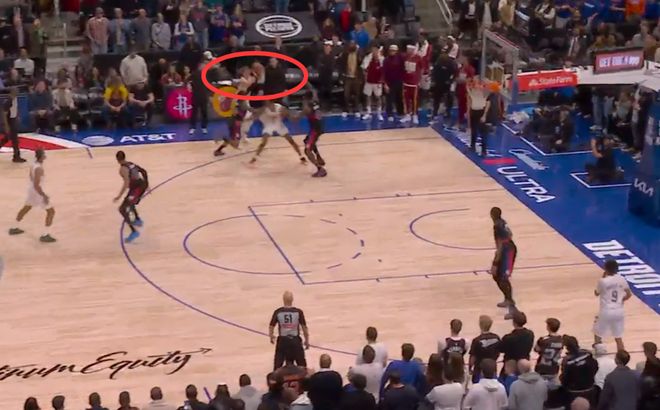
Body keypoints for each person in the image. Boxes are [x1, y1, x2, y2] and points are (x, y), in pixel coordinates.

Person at [8, 149, 56, 243]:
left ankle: (14, 227)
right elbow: (36, 185)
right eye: (44, 154)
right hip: (37, 192)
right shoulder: (39, 169)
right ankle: (45, 235)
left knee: (26, 208)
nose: (45, 155)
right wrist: (44, 195)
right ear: (42, 156)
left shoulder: (33, 165)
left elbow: (31, 178)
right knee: (51, 211)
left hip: (31, 191)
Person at [250, 100, 305, 165]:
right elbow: (256, 114)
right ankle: (255, 157)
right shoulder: (264, 108)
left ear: (270, 101)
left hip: (279, 125)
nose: (264, 102)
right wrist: (251, 117)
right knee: (263, 143)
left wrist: (288, 115)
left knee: (291, 141)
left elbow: (288, 115)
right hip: (269, 125)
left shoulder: (279, 107)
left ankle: (301, 156)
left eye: (266, 101)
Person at [594, 259, 632, 352]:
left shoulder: (603, 281)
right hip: (619, 310)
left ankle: (599, 352)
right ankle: (622, 355)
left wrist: (603, 277)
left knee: (597, 333)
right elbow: (629, 294)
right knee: (618, 337)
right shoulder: (621, 279)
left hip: (606, 310)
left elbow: (596, 293)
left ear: (605, 269)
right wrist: (621, 300)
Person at [113, 151, 149, 243]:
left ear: (117, 159)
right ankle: (137, 220)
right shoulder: (130, 164)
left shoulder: (123, 169)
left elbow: (126, 183)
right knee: (129, 203)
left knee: (122, 208)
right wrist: (147, 183)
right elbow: (143, 171)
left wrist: (119, 196)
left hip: (137, 189)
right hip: (140, 186)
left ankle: (134, 231)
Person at [269, 291, 309, 369]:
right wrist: (307, 340)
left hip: (283, 341)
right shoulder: (298, 312)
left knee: (277, 365)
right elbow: (304, 327)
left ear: (283, 299)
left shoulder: (278, 312)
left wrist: (271, 336)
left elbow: (271, 326)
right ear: (292, 299)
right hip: (295, 341)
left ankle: (276, 375)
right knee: (302, 365)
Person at [490, 206, 518, 317]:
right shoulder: (502, 222)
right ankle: (508, 299)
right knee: (496, 276)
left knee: (503, 278)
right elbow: (510, 234)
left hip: (508, 251)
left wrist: (495, 262)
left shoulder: (497, 226)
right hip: (508, 248)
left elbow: (500, 244)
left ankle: (511, 305)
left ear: (492, 215)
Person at [561, 335, 599, 406]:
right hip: (589, 388)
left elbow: (564, 379)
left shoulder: (567, 361)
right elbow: (596, 367)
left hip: (574, 391)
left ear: (567, 347)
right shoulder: (587, 354)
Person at [469, 315, 501, 384]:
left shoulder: (476, 340)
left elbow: (473, 357)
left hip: (479, 370)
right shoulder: (496, 338)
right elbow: (498, 352)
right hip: (492, 369)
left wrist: (470, 368)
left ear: (480, 325)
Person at [301, 96, 326, 178]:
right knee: (306, 141)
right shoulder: (315, 103)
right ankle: (319, 157)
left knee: (307, 151)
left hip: (315, 131)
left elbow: (295, 118)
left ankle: (320, 169)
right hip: (320, 127)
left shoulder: (307, 108)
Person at [0, 87, 25, 163]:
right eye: (16, 91)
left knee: (8, 138)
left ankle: (16, 156)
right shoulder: (9, 100)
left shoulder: (15, 99)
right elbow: (4, 113)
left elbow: (15, 108)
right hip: (9, 121)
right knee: (15, 140)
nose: (17, 92)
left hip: (13, 119)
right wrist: (6, 125)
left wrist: (17, 116)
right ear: (12, 92)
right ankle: (16, 156)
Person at [431, 49, 457, 122]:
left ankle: (448, 112)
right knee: (436, 99)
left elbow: (455, 73)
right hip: (438, 84)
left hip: (446, 84)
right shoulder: (437, 63)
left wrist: (450, 81)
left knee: (449, 98)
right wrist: (433, 80)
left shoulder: (451, 63)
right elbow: (434, 73)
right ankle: (435, 112)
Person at [361, 44, 384, 121]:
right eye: (372, 49)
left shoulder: (381, 59)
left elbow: (384, 71)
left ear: (378, 50)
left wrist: (382, 80)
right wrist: (365, 75)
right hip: (369, 81)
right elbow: (363, 68)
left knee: (378, 97)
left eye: (375, 50)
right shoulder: (368, 58)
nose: (374, 51)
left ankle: (379, 114)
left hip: (378, 82)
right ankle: (368, 113)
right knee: (368, 97)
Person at [402, 44, 422, 125]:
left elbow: (421, 69)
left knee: (414, 100)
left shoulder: (418, 58)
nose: (408, 51)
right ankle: (407, 114)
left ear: (413, 50)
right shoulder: (405, 57)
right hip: (406, 82)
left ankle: (415, 115)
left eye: (409, 49)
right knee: (406, 99)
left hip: (414, 83)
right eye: (407, 49)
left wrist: (419, 79)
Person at [468, 79, 488, 156]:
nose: (475, 85)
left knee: (483, 133)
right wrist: (468, 112)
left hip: (481, 112)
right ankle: (472, 146)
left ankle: (484, 150)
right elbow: (467, 88)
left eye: (477, 84)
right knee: (474, 131)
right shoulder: (472, 92)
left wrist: (484, 115)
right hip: (474, 112)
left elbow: (488, 104)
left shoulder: (484, 93)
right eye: (474, 84)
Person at [189, 63, 209, 135]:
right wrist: (189, 85)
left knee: (204, 112)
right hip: (196, 95)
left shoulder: (207, 74)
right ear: (199, 66)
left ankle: (204, 127)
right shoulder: (194, 74)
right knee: (194, 112)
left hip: (203, 96)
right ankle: (192, 127)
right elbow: (188, 80)